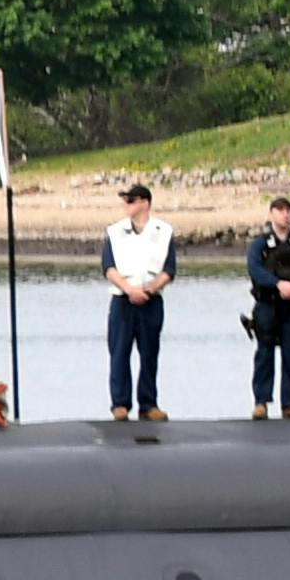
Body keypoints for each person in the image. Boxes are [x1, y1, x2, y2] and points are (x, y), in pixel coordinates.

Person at [102, 180, 176, 420]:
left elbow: (169, 269)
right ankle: (120, 404)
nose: (127, 205)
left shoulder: (163, 232)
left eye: (131, 200)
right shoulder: (115, 232)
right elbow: (108, 267)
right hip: (123, 300)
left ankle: (148, 403)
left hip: (151, 301)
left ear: (145, 203)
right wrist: (129, 289)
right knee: (119, 353)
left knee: (149, 353)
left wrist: (150, 290)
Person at [245, 196, 290, 421]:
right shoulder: (260, 245)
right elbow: (255, 269)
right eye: (280, 210)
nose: (285, 214)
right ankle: (261, 402)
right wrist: (278, 284)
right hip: (267, 305)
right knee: (264, 354)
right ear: (271, 214)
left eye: (288, 210)